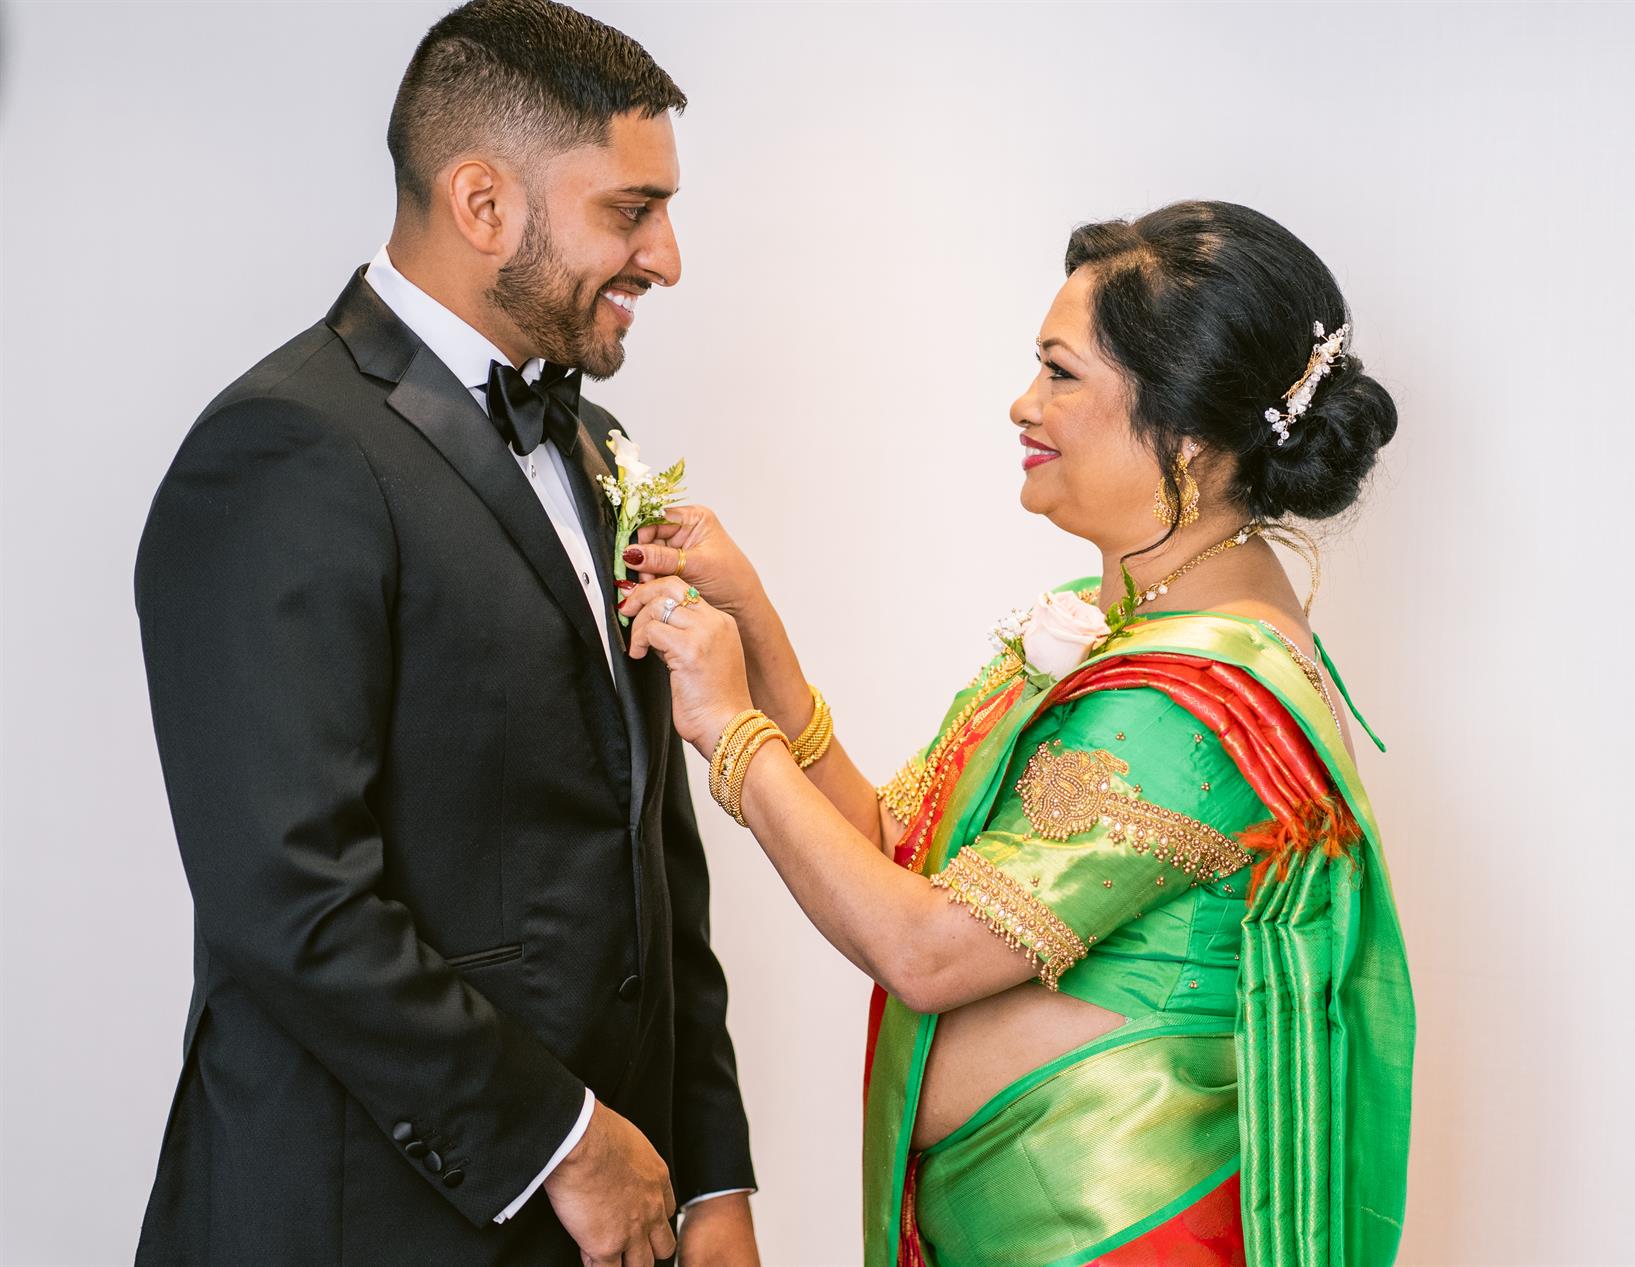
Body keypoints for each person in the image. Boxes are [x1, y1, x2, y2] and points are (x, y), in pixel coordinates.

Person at [618, 200, 1416, 1266]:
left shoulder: (1201, 699)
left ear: (1183, 428)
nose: (1022, 404)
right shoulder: (1112, 624)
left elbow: (923, 950)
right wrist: (755, 628)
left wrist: (729, 730)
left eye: (1060, 373)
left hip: (1119, 1236)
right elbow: (896, 848)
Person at [131, 2, 756, 1263]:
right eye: (631, 210)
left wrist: (710, 1177)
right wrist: (565, 1142)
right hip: (361, 1218)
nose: (668, 258)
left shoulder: (597, 446)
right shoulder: (283, 449)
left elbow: (650, 844)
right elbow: (291, 895)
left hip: (610, 1217)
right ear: (483, 203)